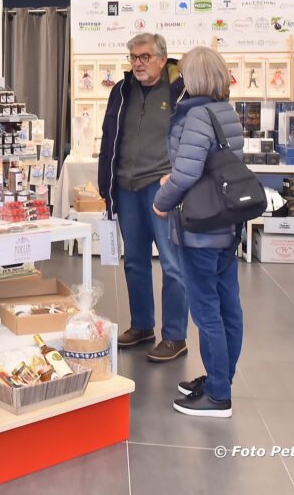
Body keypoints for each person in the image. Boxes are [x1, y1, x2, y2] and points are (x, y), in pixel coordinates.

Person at [152, 46, 244, 418]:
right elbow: (212, 167)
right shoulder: (226, 112)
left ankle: (218, 395)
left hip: (201, 227)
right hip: (226, 224)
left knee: (207, 311)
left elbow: (188, 173)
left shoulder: (195, 116)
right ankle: (221, 379)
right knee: (228, 306)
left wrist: (162, 200)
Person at [98, 33, 189, 362]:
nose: (138, 63)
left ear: (162, 59)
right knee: (135, 262)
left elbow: (193, 138)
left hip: (162, 188)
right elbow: (109, 138)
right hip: (126, 187)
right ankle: (142, 326)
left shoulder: (180, 90)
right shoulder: (121, 91)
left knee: (172, 264)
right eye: (134, 57)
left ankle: (175, 336)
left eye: (145, 57)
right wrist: (105, 185)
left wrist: (178, 177)